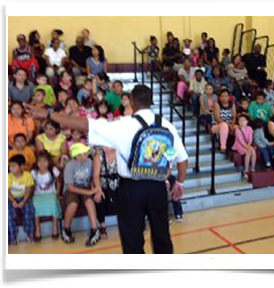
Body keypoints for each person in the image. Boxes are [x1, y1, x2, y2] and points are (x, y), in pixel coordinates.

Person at [25, 85, 188, 254]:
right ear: (151, 100)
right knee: (162, 236)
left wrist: (48, 114)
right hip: (157, 187)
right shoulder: (167, 124)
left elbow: (84, 124)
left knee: (132, 238)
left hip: (131, 188)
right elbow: (182, 159)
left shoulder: (123, 124)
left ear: (131, 101)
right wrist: (180, 183)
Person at [62, 143, 100, 246]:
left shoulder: (89, 162)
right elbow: (70, 187)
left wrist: (93, 188)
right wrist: (89, 192)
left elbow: (92, 178)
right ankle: (66, 229)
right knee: (73, 203)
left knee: (89, 202)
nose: (86, 154)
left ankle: (94, 230)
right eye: (83, 153)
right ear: (77, 155)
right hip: (72, 189)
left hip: (85, 187)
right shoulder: (69, 166)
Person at [31, 151, 62, 241]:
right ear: (37, 162)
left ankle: (55, 227)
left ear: (49, 162)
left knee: (53, 203)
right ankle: (37, 229)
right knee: (35, 205)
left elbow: (59, 181)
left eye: (45, 161)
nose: (42, 164)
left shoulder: (53, 170)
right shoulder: (34, 172)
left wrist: (58, 193)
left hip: (51, 193)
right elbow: (31, 185)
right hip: (38, 194)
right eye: (40, 161)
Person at [92, 146, 119, 238]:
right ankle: (102, 225)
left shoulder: (119, 152)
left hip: (118, 183)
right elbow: (95, 176)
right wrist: (98, 189)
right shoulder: (98, 155)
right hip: (103, 184)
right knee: (99, 197)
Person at [8, 155, 35, 245]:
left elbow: (28, 190)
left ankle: (29, 233)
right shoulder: (8, 177)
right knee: (9, 214)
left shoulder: (27, 176)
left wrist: (23, 201)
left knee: (29, 211)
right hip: (11, 198)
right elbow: (6, 191)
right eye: (10, 166)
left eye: (13, 166)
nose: (11, 168)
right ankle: (13, 237)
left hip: (24, 197)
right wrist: (13, 201)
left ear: (22, 166)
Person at [232, 114, 256, 180]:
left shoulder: (249, 128)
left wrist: (249, 145)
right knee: (248, 152)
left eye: (243, 120)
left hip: (247, 144)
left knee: (253, 151)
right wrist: (247, 147)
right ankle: (246, 170)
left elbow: (250, 139)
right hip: (239, 145)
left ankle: (253, 168)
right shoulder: (237, 130)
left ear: (247, 121)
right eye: (240, 121)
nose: (242, 122)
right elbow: (241, 141)